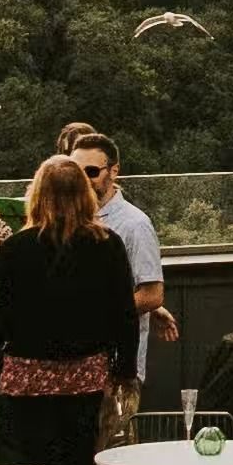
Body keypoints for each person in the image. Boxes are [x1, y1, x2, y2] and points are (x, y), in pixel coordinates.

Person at [0, 155, 139, 465]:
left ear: (37, 194)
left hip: (28, 376)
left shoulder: (17, 248)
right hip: (85, 375)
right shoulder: (107, 245)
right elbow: (124, 314)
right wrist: (122, 368)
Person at [63, 124, 176, 442]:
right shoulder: (69, 221)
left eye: (92, 171)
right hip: (72, 359)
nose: (83, 179)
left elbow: (152, 294)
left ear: (114, 171)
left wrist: (99, 314)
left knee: (116, 459)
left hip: (116, 364)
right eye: (75, 171)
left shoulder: (133, 225)